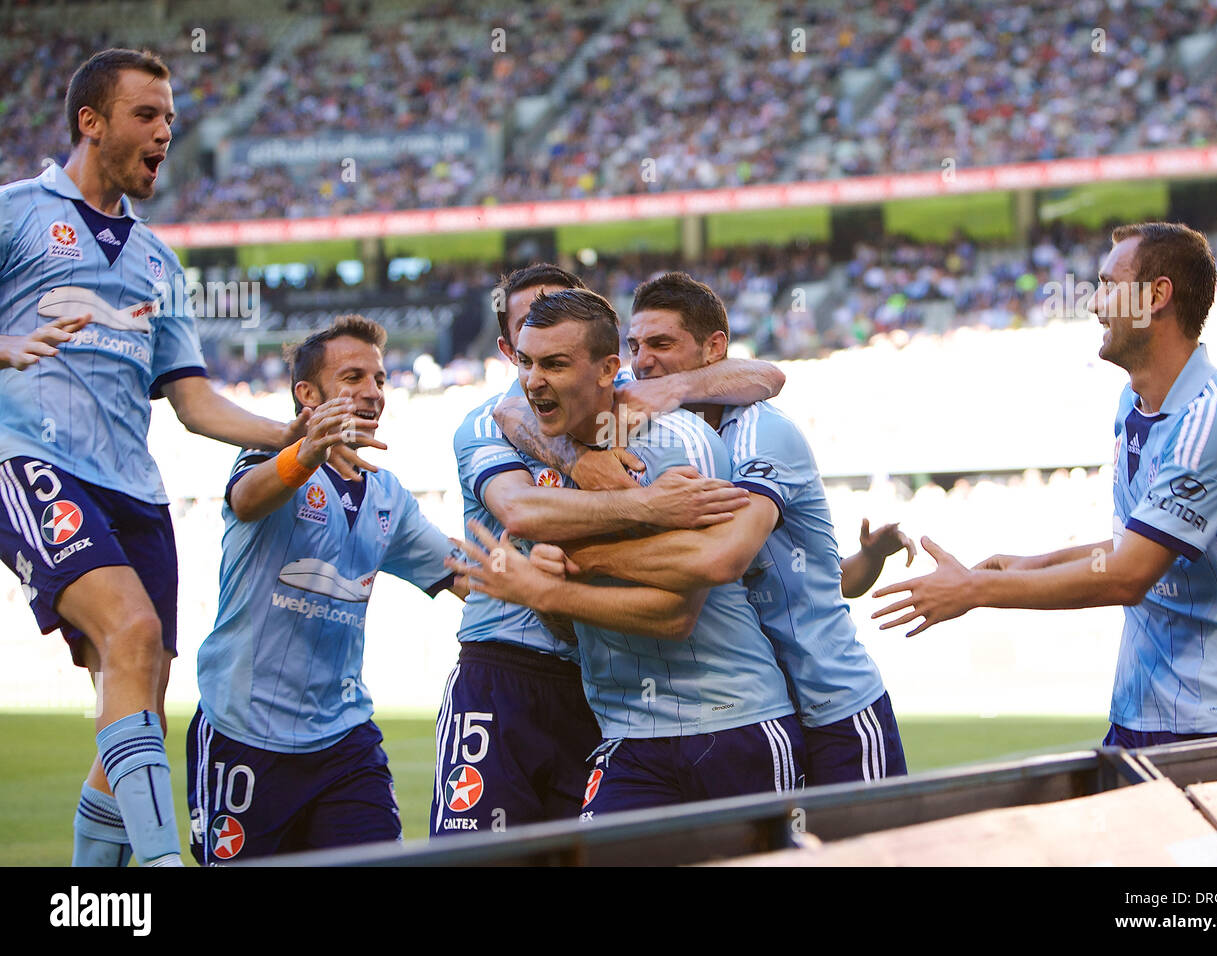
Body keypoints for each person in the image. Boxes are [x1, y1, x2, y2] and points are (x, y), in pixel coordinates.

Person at [0, 49, 308, 867]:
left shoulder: (159, 263)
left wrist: (299, 436)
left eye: (171, 117)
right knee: (132, 632)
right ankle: (168, 867)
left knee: (136, 702)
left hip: (136, 491)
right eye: (148, 115)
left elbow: (196, 402)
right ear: (90, 123)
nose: (167, 132)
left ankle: (94, 904)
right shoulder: (17, 214)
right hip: (32, 460)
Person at [873, 222, 1217, 745]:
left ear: (1157, 296)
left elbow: (1127, 575)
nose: (1095, 305)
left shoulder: (1216, 419)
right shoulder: (1133, 407)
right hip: (1145, 715)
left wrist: (976, 589)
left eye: (1108, 285)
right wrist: (1032, 563)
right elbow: (1135, 545)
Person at [432, 264, 788, 835]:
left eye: (557, 355)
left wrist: (555, 581)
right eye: (528, 350)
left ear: (606, 362)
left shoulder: (665, 436)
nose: (536, 373)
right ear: (509, 348)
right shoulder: (505, 423)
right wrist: (559, 578)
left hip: (692, 710)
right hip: (531, 681)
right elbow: (523, 513)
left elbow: (678, 609)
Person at [530, 272, 913, 784]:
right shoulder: (660, 438)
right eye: (636, 345)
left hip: (834, 705)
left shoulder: (761, 432)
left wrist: (575, 560)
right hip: (760, 709)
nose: (644, 361)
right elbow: (513, 408)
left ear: (715, 349)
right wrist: (573, 456)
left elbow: (724, 562)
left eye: (662, 344)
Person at [187, 315, 464, 863]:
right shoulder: (267, 457)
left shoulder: (388, 496)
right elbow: (247, 500)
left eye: (381, 380)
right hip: (244, 734)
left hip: (344, 741)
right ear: (306, 394)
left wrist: (531, 563)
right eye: (354, 377)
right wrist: (307, 452)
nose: (373, 392)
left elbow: (462, 570)